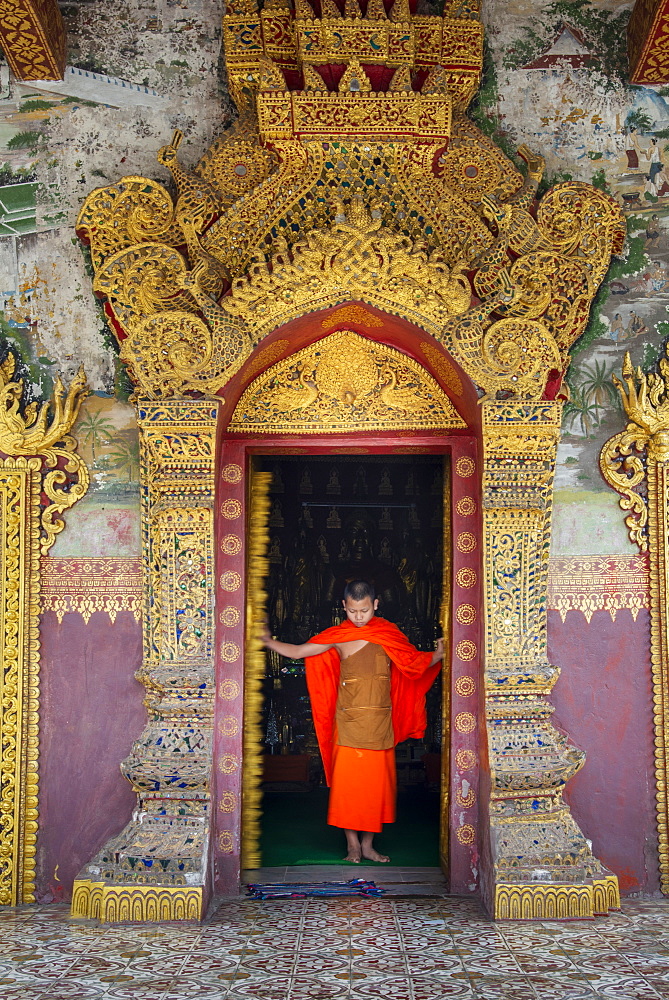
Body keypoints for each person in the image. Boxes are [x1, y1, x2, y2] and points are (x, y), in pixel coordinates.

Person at [262, 579, 444, 863]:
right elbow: (299, 652)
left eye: (364, 611)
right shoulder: (338, 636)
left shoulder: (388, 634)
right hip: (348, 725)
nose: (359, 618)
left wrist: (440, 654)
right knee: (349, 789)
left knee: (376, 789)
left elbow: (414, 664)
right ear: (344, 607)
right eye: (353, 612)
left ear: (375, 605)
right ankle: (352, 846)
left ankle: (369, 846)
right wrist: (268, 641)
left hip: (379, 724)